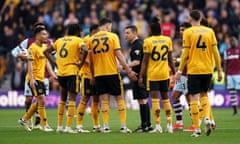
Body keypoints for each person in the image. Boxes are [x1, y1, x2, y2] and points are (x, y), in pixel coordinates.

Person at [175, 10, 222, 137]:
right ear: (201, 18)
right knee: (204, 95)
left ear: (190, 19)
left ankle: (197, 129)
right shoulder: (210, 31)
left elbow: (185, 54)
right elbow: (216, 53)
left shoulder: (188, 32)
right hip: (207, 69)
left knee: (194, 98)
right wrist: (219, 70)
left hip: (194, 69)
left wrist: (179, 71)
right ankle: (207, 118)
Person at [88, 18, 137, 133]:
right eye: (110, 26)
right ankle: (123, 126)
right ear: (107, 26)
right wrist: (128, 70)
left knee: (104, 100)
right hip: (112, 72)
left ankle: (105, 126)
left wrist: (92, 75)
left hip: (99, 74)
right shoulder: (113, 36)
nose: (110, 28)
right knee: (120, 99)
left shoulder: (91, 39)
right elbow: (119, 55)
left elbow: (91, 61)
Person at [44, 24, 88, 133]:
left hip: (61, 73)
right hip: (72, 72)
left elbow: (45, 52)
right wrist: (81, 63)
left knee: (62, 99)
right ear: (77, 31)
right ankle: (68, 127)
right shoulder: (78, 40)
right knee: (72, 99)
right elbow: (86, 50)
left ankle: (59, 126)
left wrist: (54, 63)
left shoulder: (59, 40)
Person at [12, 22, 55, 129]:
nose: (45, 35)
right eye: (42, 32)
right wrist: (20, 58)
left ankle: (27, 119)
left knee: (40, 100)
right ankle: (44, 125)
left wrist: (53, 74)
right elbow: (17, 53)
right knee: (35, 99)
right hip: (33, 77)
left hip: (42, 77)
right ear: (37, 33)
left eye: (45, 32)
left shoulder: (46, 45)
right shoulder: (30, 44)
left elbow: (47, 62)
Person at [138, 17, 176, 133]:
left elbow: (144, 61)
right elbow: (170, 58)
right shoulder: (167, 40)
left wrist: (140, 76)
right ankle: (169, 125)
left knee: (155, 100)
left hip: (153, 75)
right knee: (166, 99)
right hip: (165, 74)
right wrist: (174, 72)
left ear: (150, 30)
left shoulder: (148, 41)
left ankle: (158, 126)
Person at [124, 25, 152, 132]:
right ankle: (147, 125)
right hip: (140, 75)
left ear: (134, 33)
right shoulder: (138, 44)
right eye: (125, 33)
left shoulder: (137, 45)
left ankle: (145, 125)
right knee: (142, 100)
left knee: (142, 100)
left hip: (140, 75)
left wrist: (124, 67)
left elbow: (137, 61)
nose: (126, 35)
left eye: (128, 33)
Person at [76, 24, 101, 133]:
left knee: (96, 99)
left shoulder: (97, 40)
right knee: (85, 98)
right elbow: (81, 56)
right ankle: (79, 125)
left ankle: (96, 125)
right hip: (86, 74)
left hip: (97, 74)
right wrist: (91, 64)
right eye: (98, 31)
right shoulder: (85, 40)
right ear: (94, 31)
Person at [172, 22, 192, 131]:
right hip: (181, 74)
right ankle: (179, 123)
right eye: (180, 29)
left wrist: (178, 60)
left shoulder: (191, 41)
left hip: (188, 74)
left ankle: (195, 123)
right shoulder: (184, 42)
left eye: (183, 29)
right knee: (174, 97)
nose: (181, 32)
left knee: (189, 99)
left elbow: (191, 58)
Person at [223, 36, 240, 116]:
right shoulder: (227, 51)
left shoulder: (239, 50)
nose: (233, 42)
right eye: (231, 41)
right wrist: (225, 77)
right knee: (232, 93)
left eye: (234, 41)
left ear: (236, 41)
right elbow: (225, 64)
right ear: (229, 43)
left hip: (238, 75)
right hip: (230, 75)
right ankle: (235, 111)